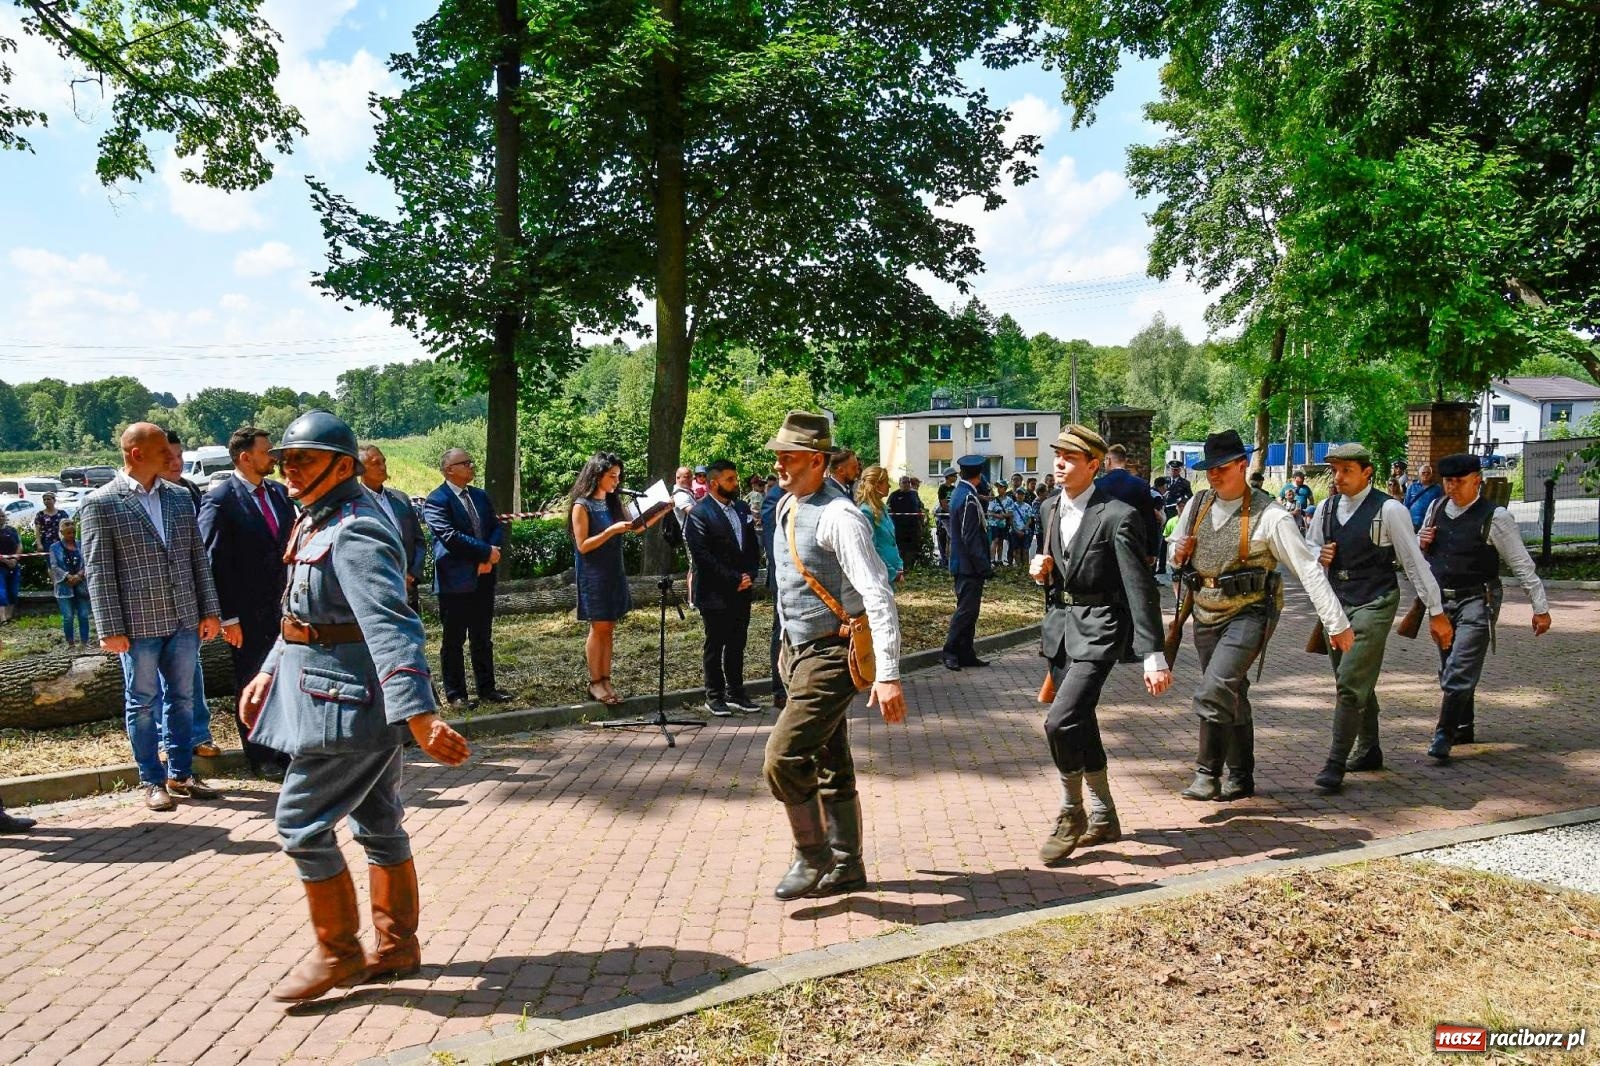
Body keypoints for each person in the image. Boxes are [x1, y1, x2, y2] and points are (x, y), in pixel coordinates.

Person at [237, 411, 471, 1003]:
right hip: (330, 696)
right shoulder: (317, 520)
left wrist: (421, 715)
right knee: (379, 825)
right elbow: (302, 618)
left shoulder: (358, 528)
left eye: (305, 459)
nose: (290, 469)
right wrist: (268, 671)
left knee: (298, 824)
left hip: (348, 710)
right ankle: (396, 946)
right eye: (286, 458)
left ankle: (339, 952)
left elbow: (392, 625)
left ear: (342, 467)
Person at [763, 411, 904, 900]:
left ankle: (813, 853)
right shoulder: (786, 505)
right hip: (796, 651)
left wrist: (887, 674)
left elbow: (877, 594)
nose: (779, 464)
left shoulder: (841, 516)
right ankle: (848, 866)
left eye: (789, 456)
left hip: (832, 653)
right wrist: (784, 648)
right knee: (830, 759)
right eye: (778, 455)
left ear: (818, 461)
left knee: (782, 759)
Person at [1167, 430, 1352, 802]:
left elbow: (1308, 569)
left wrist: (1337, 623)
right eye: (1209, 469)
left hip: (1251, 613)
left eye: (1222, 468)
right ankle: (1241, 774)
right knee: (1231, 689)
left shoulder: (1272, 515)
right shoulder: (1197, 504)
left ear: (1241, 465)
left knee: (1215, 687)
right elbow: (1175, 552)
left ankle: (1207, 773)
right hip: (1204, 610)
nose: (1214, 475)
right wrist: (1178, 550)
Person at [1031, 425, 1171, 864]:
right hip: (1061, 629)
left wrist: (1154, 653)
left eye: (1070, 458)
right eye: (1057, 455)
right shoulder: (1048, 508)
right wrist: (1044, 571)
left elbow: (1139, 587)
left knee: (1059, 721)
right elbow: (1060, 573)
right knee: (1080, 721)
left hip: (1102, 629)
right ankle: (1105, 815)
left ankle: (1072, 811)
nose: (1059, 463)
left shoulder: (1118, 515)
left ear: (1094, 465)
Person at [80, 422, 223, 812]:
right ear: (136, 453)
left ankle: (182, 774)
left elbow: (198, 559)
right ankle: (152, 779)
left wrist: (210, 610)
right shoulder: (101, 503)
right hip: (137, 625)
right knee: (142, 703)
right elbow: (99, 570)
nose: (171, 456)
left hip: (183, 619)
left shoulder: (179, 497)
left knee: (183, 699)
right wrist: (110, 628)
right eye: (162, 449)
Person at [1304, 443, 1451, 793]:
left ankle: (1335, 763)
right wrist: (1317, 555)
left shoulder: (1389, 510)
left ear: (1367, 472)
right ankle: (1369, 749)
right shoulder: (1325, 509)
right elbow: (1306, 549)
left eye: (1346, 470)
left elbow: (1414, 562)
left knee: (1350, 681)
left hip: (1375, 600)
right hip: (1336, 604)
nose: (1338, 478)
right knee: (1352, 677)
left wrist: (1436, 611)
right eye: (1335, 471)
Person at [1418, 453, 1552, 761]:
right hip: (1441, 600)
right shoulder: (1435, 508)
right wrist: (1420, 541)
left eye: (1459, 482)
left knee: (1460, 666)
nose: (1452, 488)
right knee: (1449, 664)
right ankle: (1464, 724)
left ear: (1477, 480)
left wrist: (1540, 607)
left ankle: (1443, 735)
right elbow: (1421, 556)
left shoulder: (1495, 517)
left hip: (1479, 599)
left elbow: (1520, 563)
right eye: (1447, 481)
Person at [199, 426, 296, 776]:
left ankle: (287, 748)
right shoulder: (221, 498)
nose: (273, 457)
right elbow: (213, 560)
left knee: (285, 677)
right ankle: (261, 755)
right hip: (246, 613)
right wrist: (227, 616)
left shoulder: (280, 493)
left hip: (284, 607)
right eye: (267, 451)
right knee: (252, 679)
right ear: (245, 457)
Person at [570, 451, 668, 707]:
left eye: (618, 476)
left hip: (614, 570)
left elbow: (634, 527)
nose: (616, 481)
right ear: (597, 475)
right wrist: (610, 530)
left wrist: (661, 512)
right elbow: (583, 545)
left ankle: (606, 678)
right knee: (598, 626)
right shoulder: (582, 505)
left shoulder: (614, 503)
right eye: (612, 476)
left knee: (609, 627)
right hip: (593, 573)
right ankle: (595, 682)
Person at [424, 448, 511, 708]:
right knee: (454, 639)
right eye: (465, 463)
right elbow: (449, 537)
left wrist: (489, 557)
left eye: (471, 462)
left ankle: (487, 689)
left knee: (482, 636)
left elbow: (496, 527)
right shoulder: (437, 500)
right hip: (455, 580)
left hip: (484, 577)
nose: (471, 466)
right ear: (449, 469)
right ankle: (456, 694)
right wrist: (485, 553)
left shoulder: (480, 496)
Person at [161, 428, 222, 762]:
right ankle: (162, 741)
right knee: (152, 682)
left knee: (191, 670)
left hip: (188, 601)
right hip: (150, 607)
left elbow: (201, 552)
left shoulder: (187, 492)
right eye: (168, 457)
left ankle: (198, 733)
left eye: (180, 455)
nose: (176, 463)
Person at [685, 459, 763, 716]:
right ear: (714, 483)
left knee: (737, 642)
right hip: (715, 591)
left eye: (736, 478)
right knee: (715, 643)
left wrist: (750, 574)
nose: (736, 483)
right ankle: (714, 695)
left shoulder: (741, 509)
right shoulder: (700, 513)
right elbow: (703, 556)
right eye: (730, 479)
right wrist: (733, 578)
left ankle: (736, 692)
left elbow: (752, 546)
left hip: (743, 588)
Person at [360, 445, 427, 610]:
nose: (383, 467)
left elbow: (418, 540)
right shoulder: (356, 504)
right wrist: (396, 578)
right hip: (378, 592)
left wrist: (412, 576)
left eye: (384, 462)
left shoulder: (401, 499)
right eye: (376, 463)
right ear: (359, 469)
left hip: (409, 589)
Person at [942, 454, 993, 671]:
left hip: (965, 564)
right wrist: (984, 565)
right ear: (979, 475)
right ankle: (950, 651)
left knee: (970, 611)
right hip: (968, 566)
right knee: (965, 611)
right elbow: (970, 536)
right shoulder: (968, 498)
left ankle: (966, 652)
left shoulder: (961, 493)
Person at [1096, 444, 1162, 566]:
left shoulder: (1098, 485)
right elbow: (1148, 518)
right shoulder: (1141, 485)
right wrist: (1152, 550)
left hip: (1103, 544)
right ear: (1125, 461)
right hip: (1133, 543)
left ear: (1108, 460)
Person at [761, 476, 789, 710]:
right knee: (780, 631)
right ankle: (780, 690)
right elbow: (772, 542)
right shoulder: (775, 496)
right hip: (784, 577)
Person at [856, 466, 904, 584]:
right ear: (877, 486)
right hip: (878, 575)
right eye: (886, 482)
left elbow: (890, 541)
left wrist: (899, 565)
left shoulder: (881, 507)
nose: (889, 486)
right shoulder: (866, 511)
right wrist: (891, 572)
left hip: (890, 573)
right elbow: (872, 548)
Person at [49, 518, 91, 647]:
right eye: (67, 524)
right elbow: (54, 566)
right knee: (68, 617)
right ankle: (70, 642)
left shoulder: (81, 545)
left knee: (84, 615)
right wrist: (68, 577)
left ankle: (85, 642)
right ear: (61, 530)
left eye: (72, 524)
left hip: (81, 585)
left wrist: (78, 576)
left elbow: (87, 562)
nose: (71, 526)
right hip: (64, 587)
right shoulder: (54, 547)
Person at [887, 476, 924, 571]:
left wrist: (922, 520)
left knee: (912, 549)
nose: (907, 484)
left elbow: (920, 507)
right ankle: (900, 568)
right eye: (904, 482)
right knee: (900, 548)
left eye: (908, 482)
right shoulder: (894, 495)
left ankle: (909, 568)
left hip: (913, 527)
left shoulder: (914, 494)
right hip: (899, 527)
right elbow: (888, 510)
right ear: (900, 484)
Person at [1406, 462, 1442, 530]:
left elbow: (1440, 505)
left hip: (1429, 522)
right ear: (1419, 474)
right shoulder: (1412, 486)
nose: (1426, 475)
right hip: (1413, 521)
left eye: (1428, 473)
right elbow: (1406, 504)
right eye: (1423, 473)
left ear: (1431, 474)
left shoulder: (1437, 488)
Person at [0, 511, 18, 624]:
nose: (1, 518)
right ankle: (2, 618)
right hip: (0, 566)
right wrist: (6, 561)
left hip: (14, 566)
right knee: (1, 592)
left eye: (2, 516)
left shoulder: (12, 530)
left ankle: (9, 616)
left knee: (13, 591)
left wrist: (15, 559)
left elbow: (19, 546)